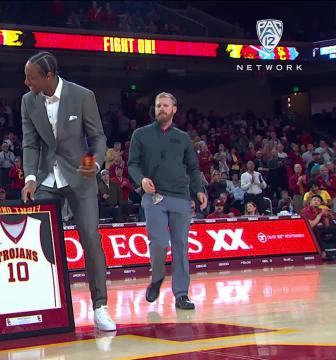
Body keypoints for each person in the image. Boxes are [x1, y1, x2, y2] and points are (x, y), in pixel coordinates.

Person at [20, 51, 115, 330]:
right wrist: (29, 178)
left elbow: (97, 138)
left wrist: (93, 164)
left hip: (80, 177)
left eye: (31, 77)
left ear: (48, 77)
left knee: (90, 239)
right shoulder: (27, 101)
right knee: (38, 245)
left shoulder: (83, 95)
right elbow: (30, 143)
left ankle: (100, 307)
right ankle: (45, 306)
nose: (27, 83)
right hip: (46, 179)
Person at [127, 92, 207, 310]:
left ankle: (181, 294)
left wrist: (199, 190)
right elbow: (132, 164)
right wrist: (141, 179)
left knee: (181, 246)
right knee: (160, 242)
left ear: (174, 109)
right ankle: (157, 279)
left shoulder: (183, 137)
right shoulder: (140, 134)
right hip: (154, 197)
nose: (160, 108)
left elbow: (192, 167)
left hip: (181, 196)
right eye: (157, 105)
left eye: (165, 105)